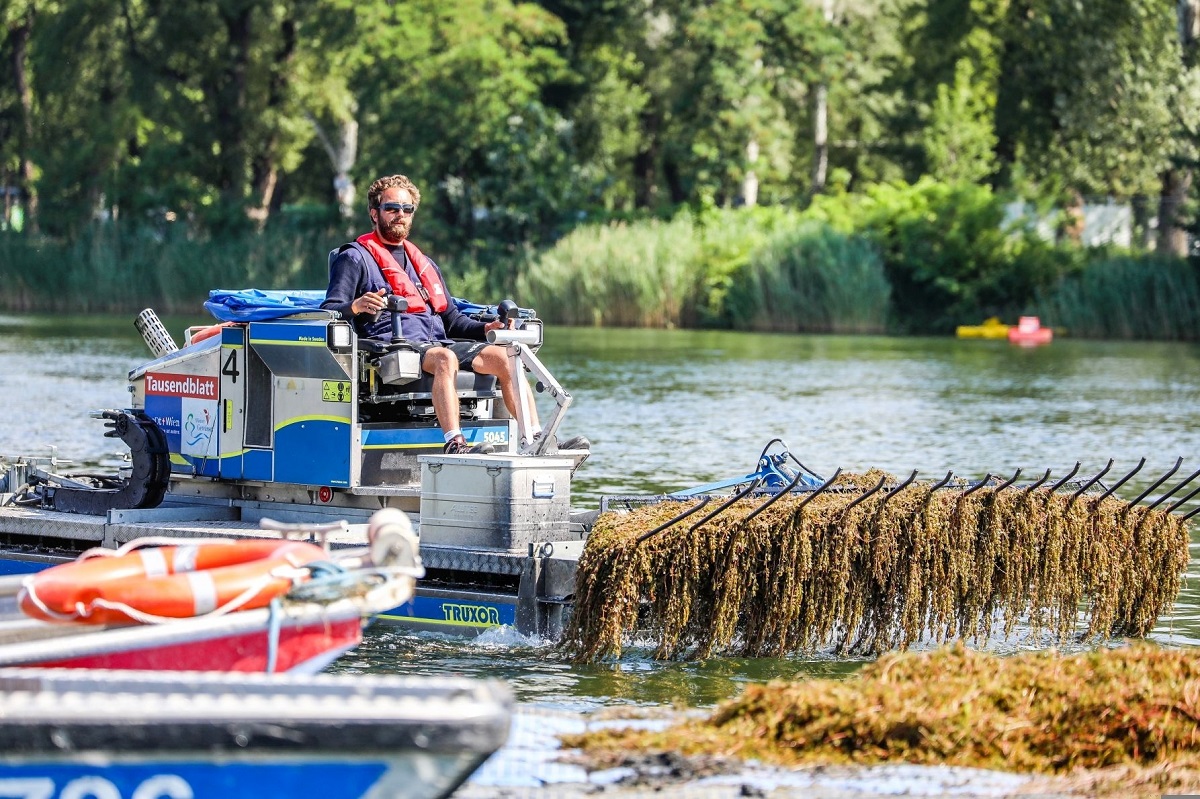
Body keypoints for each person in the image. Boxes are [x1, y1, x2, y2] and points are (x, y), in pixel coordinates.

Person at [323, 173, 523, 455]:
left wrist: (486, 328)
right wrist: (355, 306)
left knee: (505, 357)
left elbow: (452, 320)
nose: (400, 215)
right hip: (391, 350)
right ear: (374, 213)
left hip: (436, 344)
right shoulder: (354, 257)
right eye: (392, 208)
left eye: (407, 209)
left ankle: (535, 438)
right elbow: (329, 311)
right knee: (445, 358)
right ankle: (455, 443)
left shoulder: (424, 264)